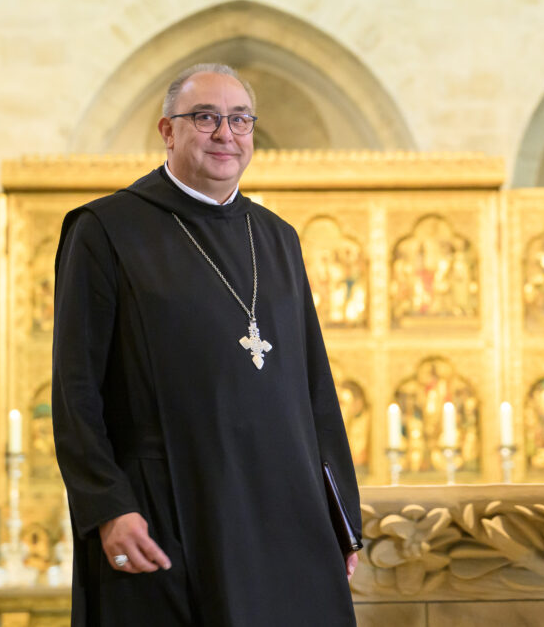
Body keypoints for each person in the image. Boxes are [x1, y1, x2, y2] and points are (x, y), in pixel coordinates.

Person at [52, 63, 361, 626]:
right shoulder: (106, 230)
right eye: (206, 118)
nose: (226, 133)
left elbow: (316, 388)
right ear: (168, 131)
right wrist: (108, 506)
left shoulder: (277, 238)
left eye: (240, 119)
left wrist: (341, 517)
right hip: (167, 510)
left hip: (284, 515)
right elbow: (76, 391)